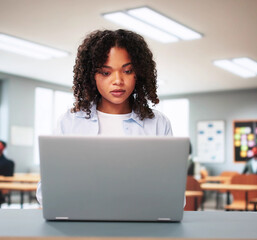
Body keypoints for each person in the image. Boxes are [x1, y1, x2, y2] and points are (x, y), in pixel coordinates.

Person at [37, 29, 173, 205]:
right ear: (91, 76)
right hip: (82, 221)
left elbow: (174, 195)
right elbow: (45, 194)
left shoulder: (158, 124)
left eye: (128, 70)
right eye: (106, 72)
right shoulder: (69, 122)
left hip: (140, 222)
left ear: (138, 74)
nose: (117, 80)